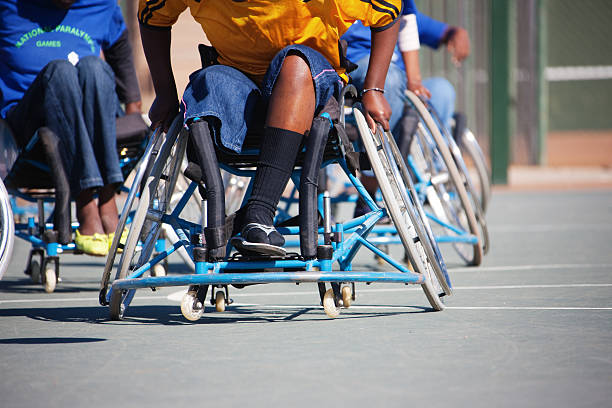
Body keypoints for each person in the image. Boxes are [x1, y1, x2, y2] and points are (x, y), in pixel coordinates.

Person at [138, 0, 402, 256]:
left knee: (295, 63)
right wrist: (164, 93)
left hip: (309, 80)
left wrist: (374, 89)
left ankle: (259, 212)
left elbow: (387, 8)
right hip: (237, 80)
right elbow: (152, 16)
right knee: (208, 80)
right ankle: (218, 225)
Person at [0, 0, 142, 256]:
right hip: (29, 129)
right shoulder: (8, 6)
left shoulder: (102, 5)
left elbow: (120, 52)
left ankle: (108, 196)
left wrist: (134, 108)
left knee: (94, 67)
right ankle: (86, 201)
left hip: (92, 120)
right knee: (61, 70)